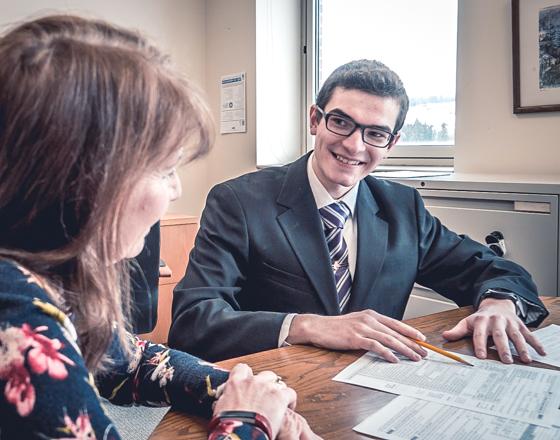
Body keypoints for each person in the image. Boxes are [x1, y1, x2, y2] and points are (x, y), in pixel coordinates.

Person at [0, 15, 318, 440]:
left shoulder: (46, 267)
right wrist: (247, 423)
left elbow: (125, 360)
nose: (176, 188)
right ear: (80, 177)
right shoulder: (17, 323)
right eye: (165, 168)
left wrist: (238, 392)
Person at [170, 59, 549, 365]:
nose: (354, 145)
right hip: (272, 390)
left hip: (374, 389)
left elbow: (494, 270)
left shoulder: (403, 208)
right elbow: (193, 322)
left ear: (392, 143)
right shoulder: (238, 202)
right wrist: (306, 326)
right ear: (315, 120)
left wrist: (500, 303)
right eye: (341, 122)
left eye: (375, 133)